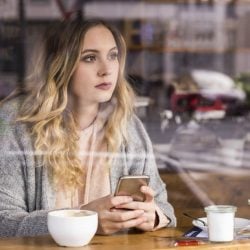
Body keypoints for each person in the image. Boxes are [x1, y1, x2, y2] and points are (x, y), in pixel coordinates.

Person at [0, 18, 176, 238]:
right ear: (59, 65)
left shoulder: (127, 125)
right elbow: (3, 220)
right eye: (90, 58)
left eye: (113, 56)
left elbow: (164, 208)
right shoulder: (15, 121)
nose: (106, 70)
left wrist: (153, 216)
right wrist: (83, 219)